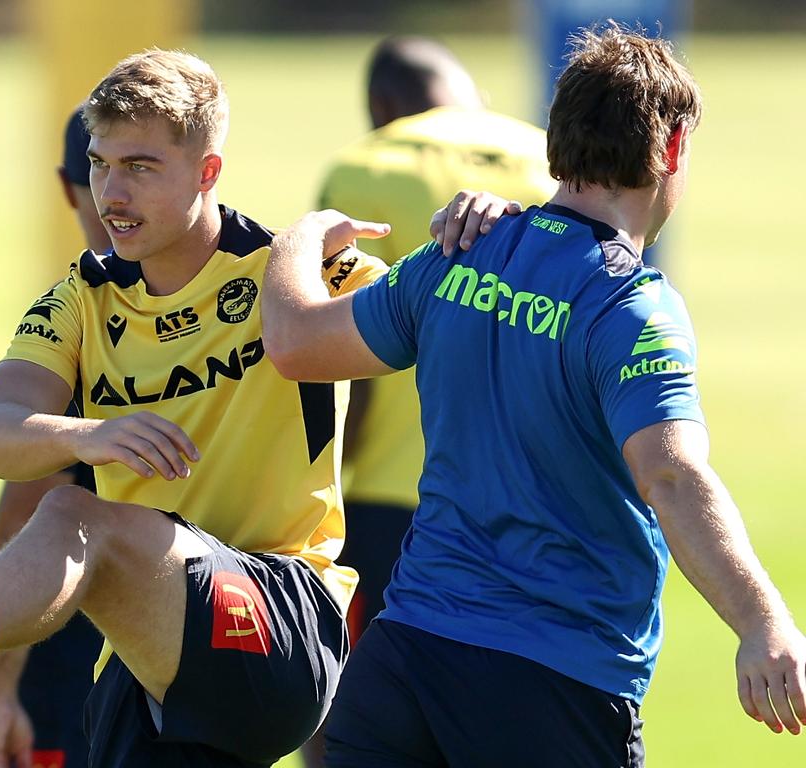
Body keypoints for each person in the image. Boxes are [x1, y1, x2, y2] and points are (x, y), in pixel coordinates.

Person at [0, 48, 387, 767]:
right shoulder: (81, 301)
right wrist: (90, 434)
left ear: (207, 171)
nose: (110, 194)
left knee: (72, 515)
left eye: (140, 167)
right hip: (149, 656)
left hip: (282, 622)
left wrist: (310, 239)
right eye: (99, 164)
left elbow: (435, 316)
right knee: (78, 517)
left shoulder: (294, 268)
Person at [261, 23, 806, 766]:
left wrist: (303, 237)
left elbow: (294, 343)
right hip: (551, 686)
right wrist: (764, 623)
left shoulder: (455, 259)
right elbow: (671, 474)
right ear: (672, 151)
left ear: (558, 143)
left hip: (399, 666)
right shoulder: (631, 307)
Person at [316, 35, 557, 646]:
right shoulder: (551, 161)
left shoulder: (366, 166)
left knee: (343, 698)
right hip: (534, 495)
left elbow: (346, 350)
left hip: (392, 496)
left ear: (382, 103)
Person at [0, 107, 110, 768]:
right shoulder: (230, 294)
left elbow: (25, 510)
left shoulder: (80, 310)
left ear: (66, 187)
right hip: (208, 639)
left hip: (73, 665)